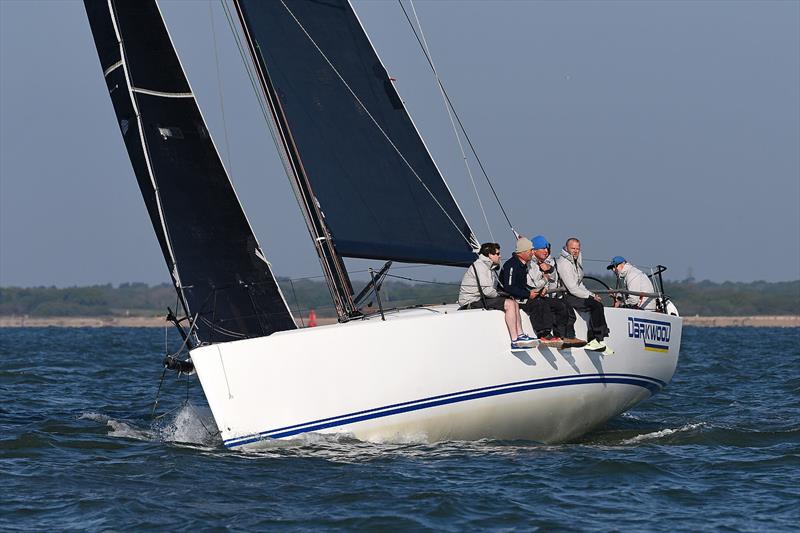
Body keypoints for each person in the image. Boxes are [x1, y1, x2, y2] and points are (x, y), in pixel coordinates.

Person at [458, 242, 536, 349]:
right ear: (489, 255)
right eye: (497, 254)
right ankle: (514, 340)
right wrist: (501, 294)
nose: (500, 256)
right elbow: (487, 290)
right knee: (509, 304)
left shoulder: (489, 266)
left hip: (481, 298)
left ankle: (521, 335)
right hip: (471, 301)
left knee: (514, 302)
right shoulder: (480, 266)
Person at [556, 237, 614, 354]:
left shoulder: (576, 261)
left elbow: (579, 283)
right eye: (573, 248)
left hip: (575, 293)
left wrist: (591, 294)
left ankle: (599, 340)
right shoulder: (564, 263)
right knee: (595, 305)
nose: (576, 251)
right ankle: (595, 339)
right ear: (566, 248)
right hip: (567, 296)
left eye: (578, 248)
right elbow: (572, 288)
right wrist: (589, 297)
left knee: (597, 304)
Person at [499, 237, 556, 345]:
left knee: (548, 303)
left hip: (522, 295)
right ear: (523, 252)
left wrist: (537, 290)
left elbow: (524, 284)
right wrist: (528, 294)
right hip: (512, 297)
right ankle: (542, 333)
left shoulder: (523, 264)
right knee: (538, 304)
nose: (532, 253)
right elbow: (509, 287)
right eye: (530, 250)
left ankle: (551, 333)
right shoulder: (511, 265)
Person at [527, 235, 579, 345]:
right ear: (534, 250)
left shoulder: (544, 262)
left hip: (543, 295)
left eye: (547, 249)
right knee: (544, 304)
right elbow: (533, 283)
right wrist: (544, 282)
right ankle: (544, 334)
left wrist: (550, 269)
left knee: (561, 306)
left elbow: (553, 279)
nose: (546, 251)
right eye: (543, 248)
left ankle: (560, 335)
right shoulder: (530, 263)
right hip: (531, 297)